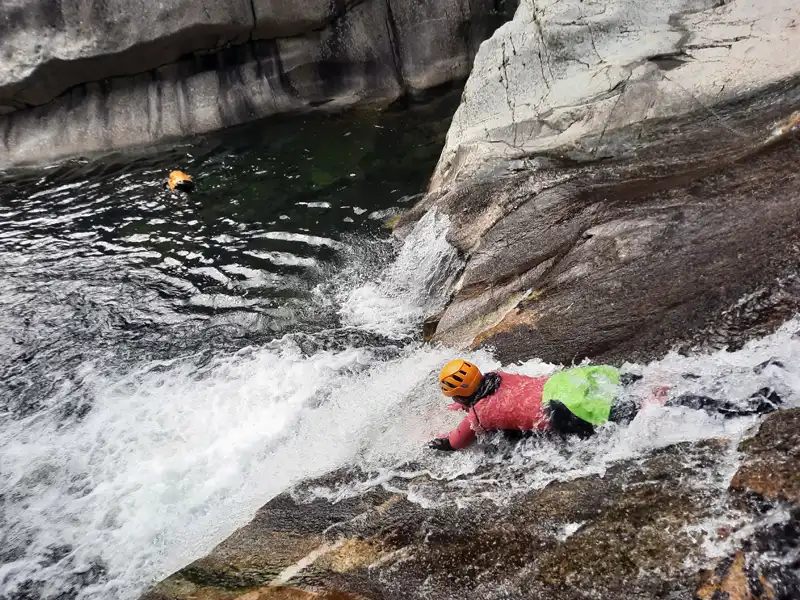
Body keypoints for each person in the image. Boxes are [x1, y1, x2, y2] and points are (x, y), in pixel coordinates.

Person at [428, 359, 783, 451]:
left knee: (650, 410)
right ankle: (747, 378)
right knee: (651, 390)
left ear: (459, 398)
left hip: (563, 407)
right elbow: (501, 397)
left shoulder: (478, 414)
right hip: (573, 380)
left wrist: (438, 443)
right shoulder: (498, 375)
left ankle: (746, 409)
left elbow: (457, 441)